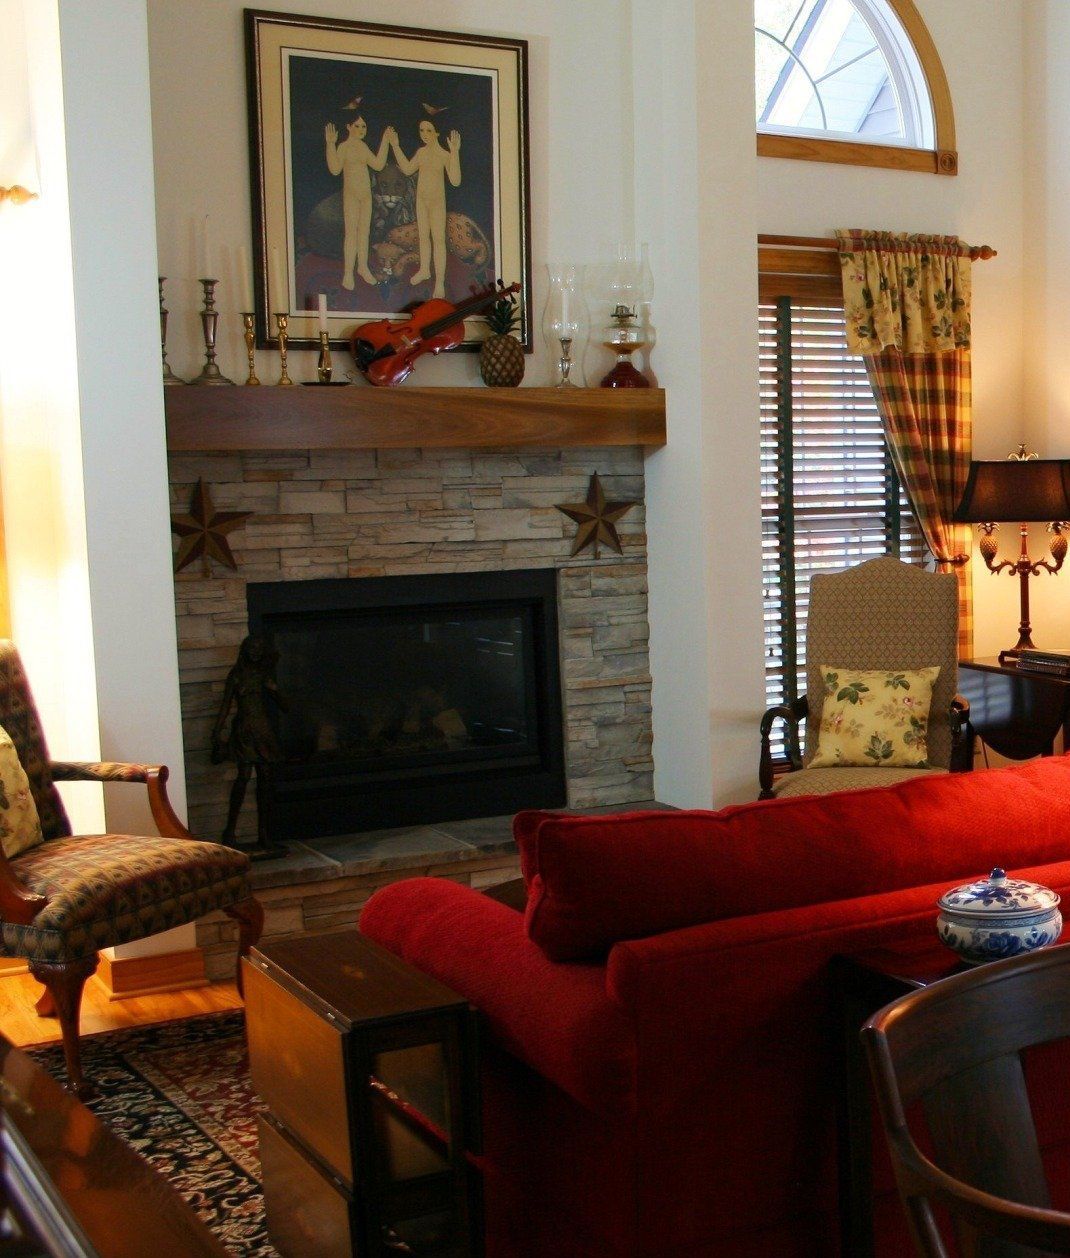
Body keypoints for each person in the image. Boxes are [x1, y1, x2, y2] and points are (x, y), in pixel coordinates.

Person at [211, 634, 286, 853]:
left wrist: (274, 690)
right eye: (251, 648)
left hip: (262, 731)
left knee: (265, 779)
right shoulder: (236, 675)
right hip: (244, 731)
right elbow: (226, 706)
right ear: (245, 650)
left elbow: (286, 707)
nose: (255, 652)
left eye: (259, 648)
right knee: (243, 777)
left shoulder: (265, 675)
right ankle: (230, 833)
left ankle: (264, 834)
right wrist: (217, 731)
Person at [389, 119, 461, 298]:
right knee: (423, 237)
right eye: (422, 130)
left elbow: (455, 180)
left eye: (429, 130)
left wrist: (454, 152)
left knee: (438, 240)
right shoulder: (421, 152)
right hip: (421, 202)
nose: (425, 134)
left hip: (437, 203)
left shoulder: (444, 154)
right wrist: (396, 146)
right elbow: (407, 169)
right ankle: (424, 270)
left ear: (437, 132)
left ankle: (439, 283)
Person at [325, 117, 394, 290]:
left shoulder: (363, 147)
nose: (361, 129)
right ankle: (348, 273)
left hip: (365, 197)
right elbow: (335, 169)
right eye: (357, 125)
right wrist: (330, 144)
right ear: (349, 126)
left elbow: (378, 164)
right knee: (351, 234)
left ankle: (362, 267)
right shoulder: (344, 147)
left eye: (364, 126)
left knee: (364, 233)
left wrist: (385, 141)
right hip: (351, 196)